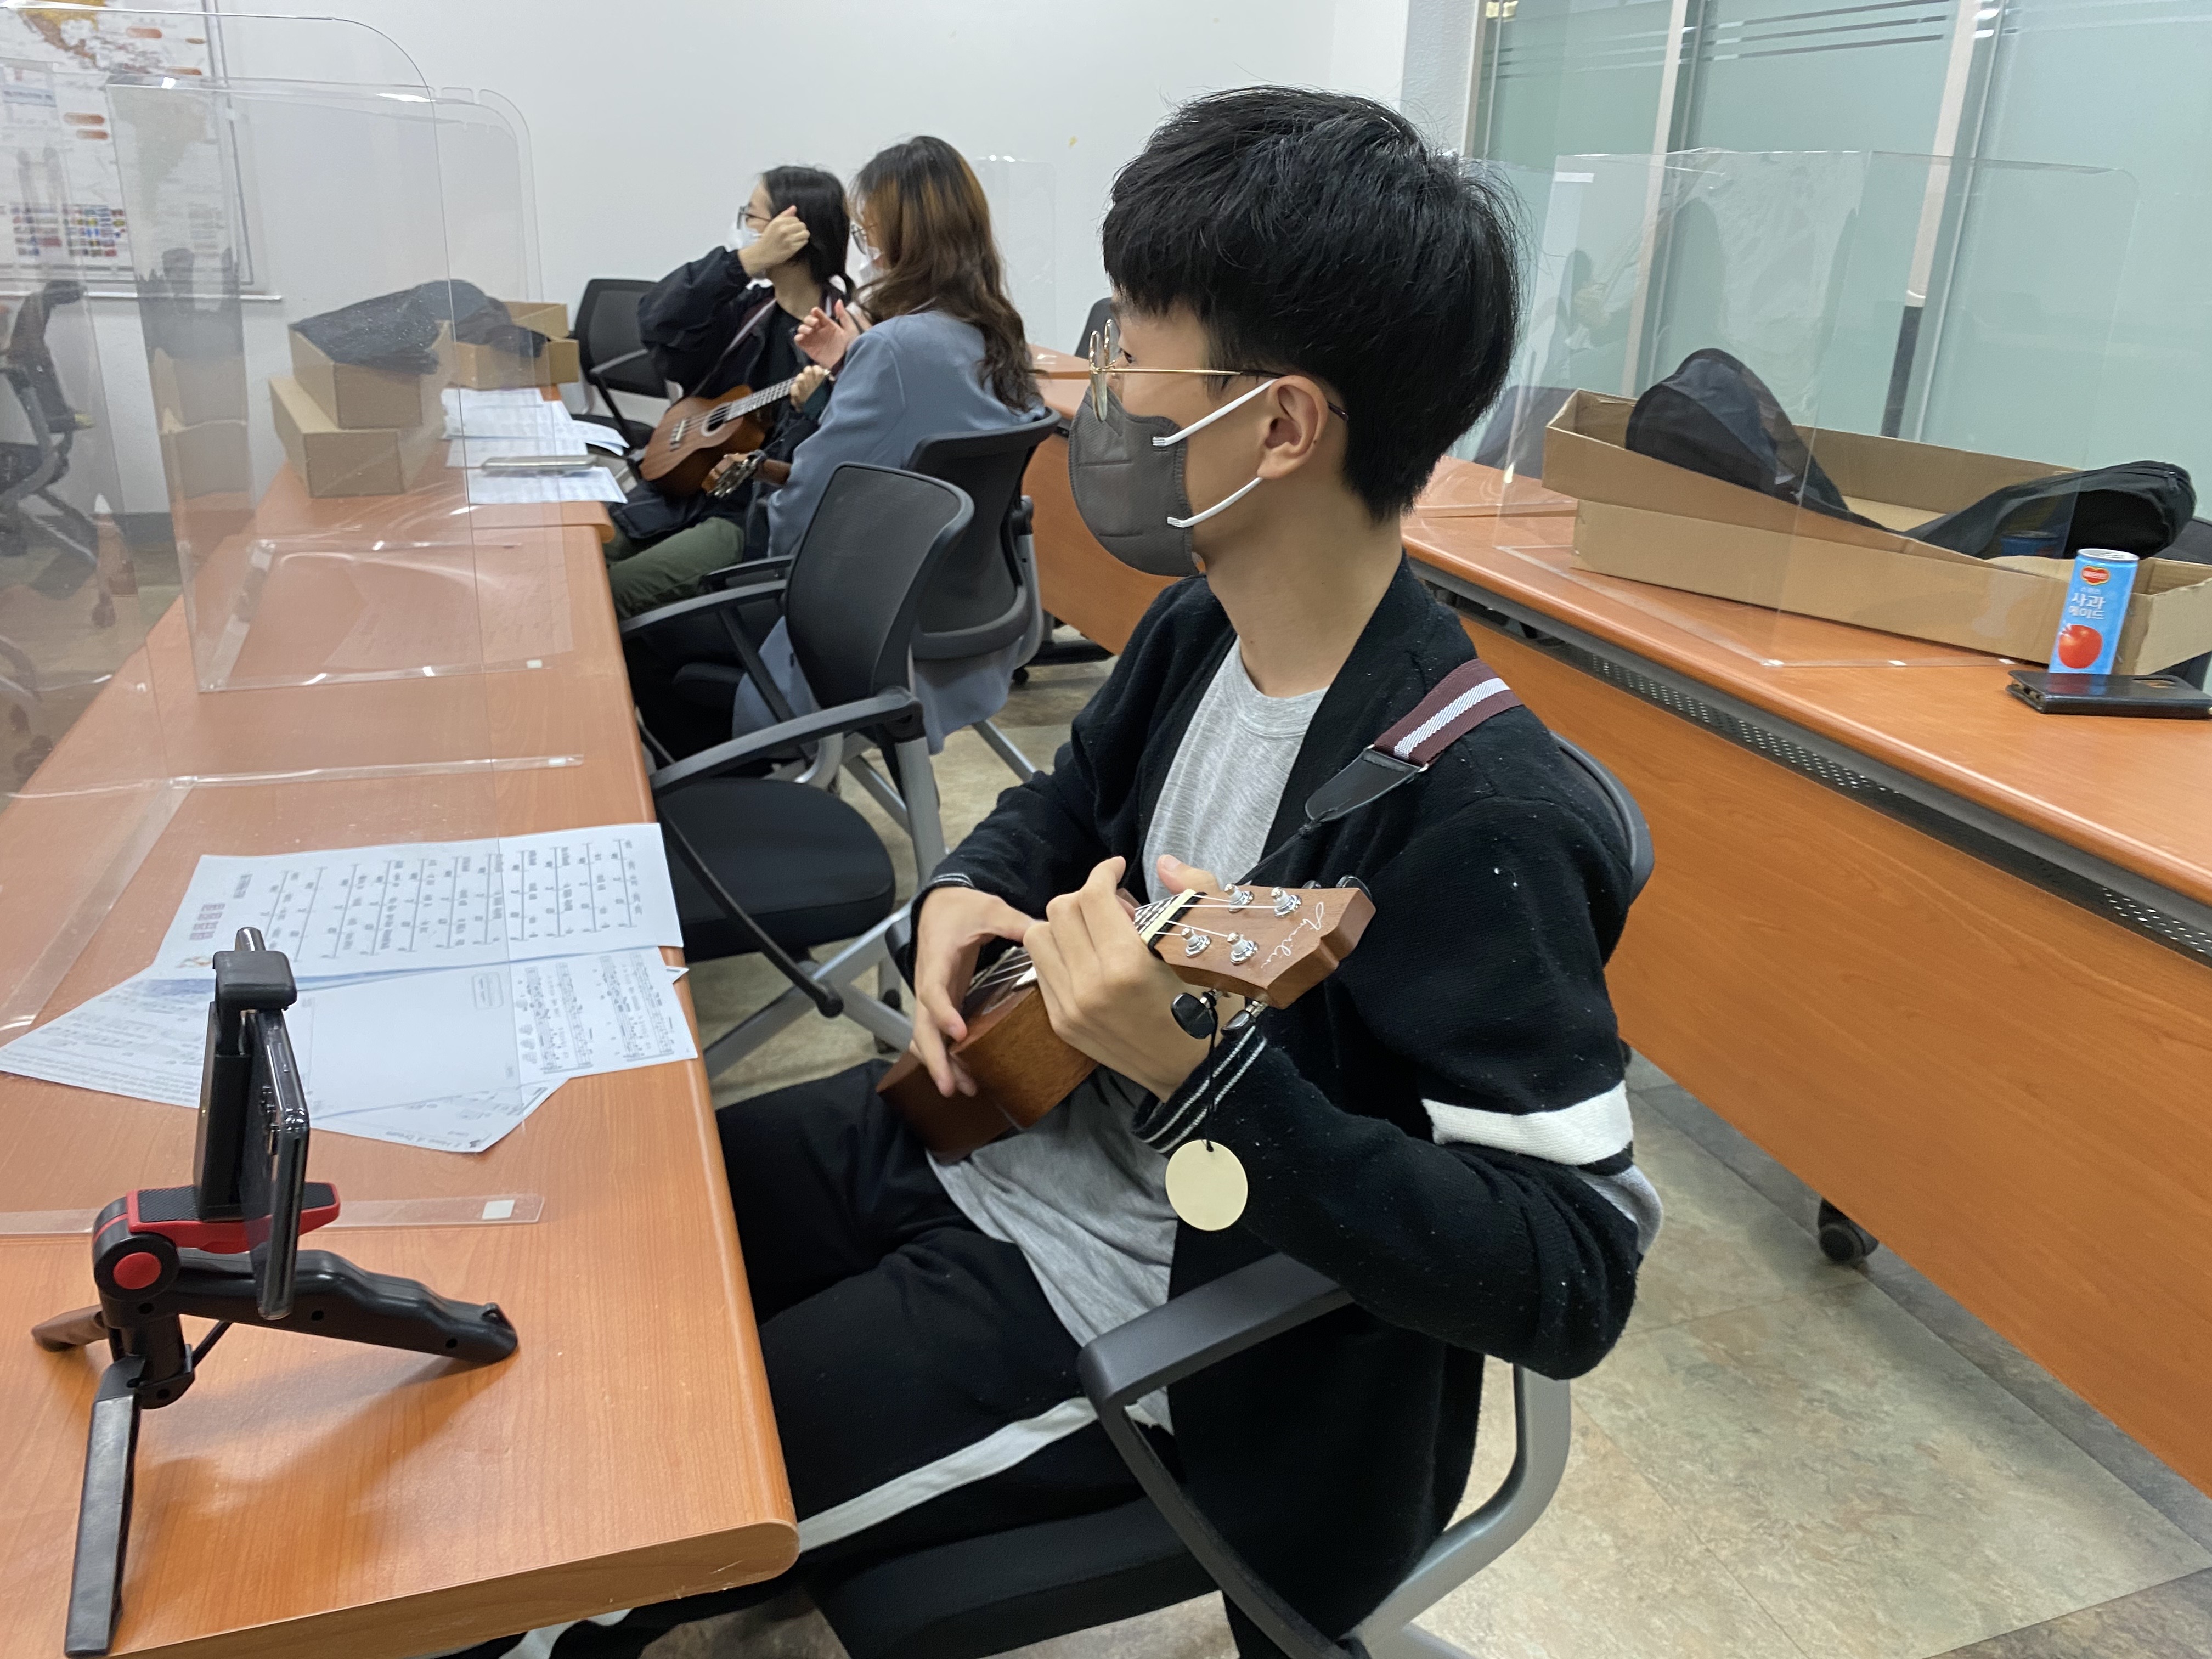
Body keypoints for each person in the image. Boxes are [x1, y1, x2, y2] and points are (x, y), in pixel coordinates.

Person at [466, 89, 1657, 1659]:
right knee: (613, 1245)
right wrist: (965, 889)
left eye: (1132, 350)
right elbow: (1058, 809)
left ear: (1280, 426)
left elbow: (1570, 1273)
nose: (1100, 391)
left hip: (1146, 1325)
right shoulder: (1201, 627)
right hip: (976, 1132)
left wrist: (1206, 1074)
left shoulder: (1481, 811)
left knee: (607, 1511)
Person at [725, 133, 1047, 750]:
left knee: (666, 645)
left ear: (901, 237)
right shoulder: (998, 336)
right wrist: (855, 367)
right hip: (969, 626)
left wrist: (863, 367)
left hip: (868, 636)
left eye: (867, 233)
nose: (865, 252)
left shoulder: (895, 349)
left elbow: (803, 514)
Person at [600, 166, 849, 620]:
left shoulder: (847, 333)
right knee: (578, 555)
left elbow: (839, 458)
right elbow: (658, 319)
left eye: (753, 217)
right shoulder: (746, 314)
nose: (746, 229)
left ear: (792, 233)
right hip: (681, 491)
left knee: (607, 595)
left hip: (746, 517)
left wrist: (811, 407)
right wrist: (743, 264)